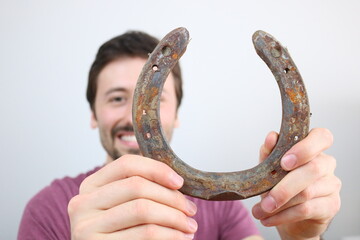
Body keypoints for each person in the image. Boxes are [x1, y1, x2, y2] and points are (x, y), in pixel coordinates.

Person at [18, 30, 341, 240]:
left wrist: (301, 236)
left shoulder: (220, 207)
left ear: (176, 114)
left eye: (151, 101)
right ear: (93, 114)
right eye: (117, 98)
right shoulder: (49, 208)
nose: (135, 115)